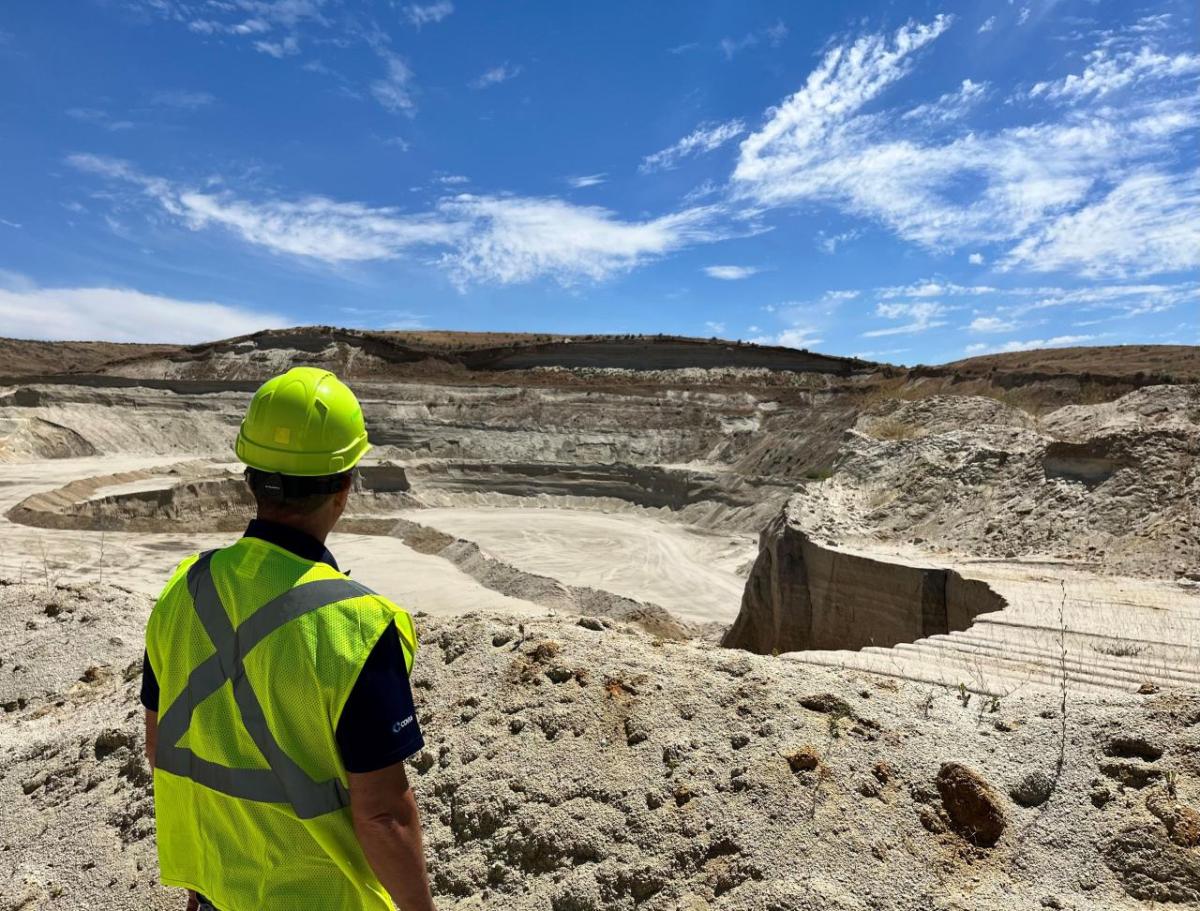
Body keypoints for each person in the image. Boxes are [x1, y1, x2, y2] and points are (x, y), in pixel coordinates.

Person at [141, 367, 436, 911]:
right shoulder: (360, 627)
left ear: (250, 477)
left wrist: (203, 886)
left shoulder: (182, 591)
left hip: (216, 894)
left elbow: (167, 752)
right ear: (345, 486)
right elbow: (383, 816)